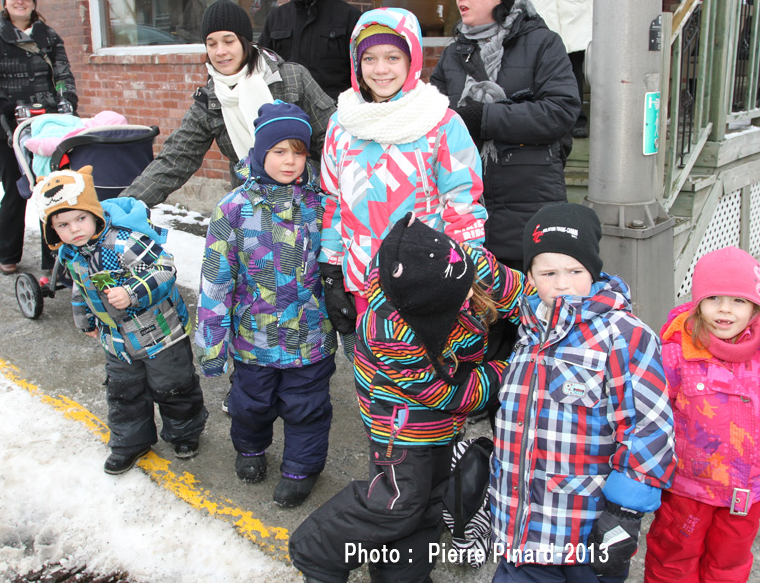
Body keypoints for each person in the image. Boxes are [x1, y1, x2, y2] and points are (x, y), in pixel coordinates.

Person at [289, 212, 527, 583]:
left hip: (444, 421)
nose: (470, 296)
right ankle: (318, 550)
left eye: (468, 288)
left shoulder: (465, 264)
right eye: (455, 301)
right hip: (398, 418)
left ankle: (403, 576)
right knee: (397, 502)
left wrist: (552, 316)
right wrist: (513, 369)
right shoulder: (389, 326)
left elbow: (522, 295)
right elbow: (447, 391)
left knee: (430, 498)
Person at [489, 203, 675, 581]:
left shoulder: (622, 335)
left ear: (593, 269)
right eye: (548, 272)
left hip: (585, 536)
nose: (561, 284)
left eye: (574, 271)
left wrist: (623, 513)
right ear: (530, 275)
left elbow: (649, 426)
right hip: (522, 529)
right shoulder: (529, 332)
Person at [430, 0, 580, 361]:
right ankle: (487, 404)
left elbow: (561, 110)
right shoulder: (454, 54)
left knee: (532, 316)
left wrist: (487, 117)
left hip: (529, 198)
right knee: (480, 310)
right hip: (469, 206)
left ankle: (528, 405)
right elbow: (431, 115)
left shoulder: (542, 44)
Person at [643, 247, 760, 583]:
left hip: (746, 491)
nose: (725, 309)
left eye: (738, 301)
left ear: (758, 307)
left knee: (728, 565)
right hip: (688, 488)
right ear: (698, 302)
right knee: (673, 559)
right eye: (714, 298)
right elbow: (651, 410)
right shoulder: (678, 349)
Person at [196, 101, 335, 508]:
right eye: (279, 151)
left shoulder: (322, 205)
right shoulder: (234, 210)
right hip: (253, 339)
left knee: (307, 409)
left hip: (310, 339)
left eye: (298, 151)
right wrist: (213, 344)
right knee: (250, 404)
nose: (290, 161)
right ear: (260, 152)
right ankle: (251, 450)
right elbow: (216, 281)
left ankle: (300, 468)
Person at [318, 7, 487, 337]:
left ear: (412, 59)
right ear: (357, 62)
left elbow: (464, 208)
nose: (381, 69)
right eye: (370, 58)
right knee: (372, 383)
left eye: (393, 57)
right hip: (363, 283)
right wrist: (332, 269)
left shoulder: (441, 124)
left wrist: (466, 274)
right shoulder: (341, 124)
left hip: (428, 282)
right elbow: (334, 203)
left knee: (426, 385)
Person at [35, 166, 207, 475]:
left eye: (80, 219)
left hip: (161, 335)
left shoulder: (122, 243)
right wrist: (85, 321)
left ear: (94, 214)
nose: (74, 230)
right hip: (116, 342)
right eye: (62, 225)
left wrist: (132, 293)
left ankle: (184, 433)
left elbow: (164, 269)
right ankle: (130, 441)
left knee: (174, 388)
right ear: (52, 231)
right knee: (123, 393)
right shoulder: (73, 255)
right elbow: (81, 289)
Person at [122, 0, 336, 207]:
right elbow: (174, 160)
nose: (220, 51)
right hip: (250, 211)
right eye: (211, 44)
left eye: (228, 41)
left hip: (307, 203)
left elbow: (331, 140)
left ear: (245, 41)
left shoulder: (291, 78)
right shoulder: (210, 102)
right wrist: (122, 205)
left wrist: (329, 193)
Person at [0, 0, 78, 275]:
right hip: (7, 124)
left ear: (33, 3)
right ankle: (8, 253)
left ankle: (54, 260)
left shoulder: (49, 36)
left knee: (52, 188)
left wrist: (67, 98)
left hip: (47, 124)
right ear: (5, 2)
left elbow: (63, 73)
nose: (21, 2)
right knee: (16, 190)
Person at [259, 0, 362, 103]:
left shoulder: (350, 18)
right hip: (287, 114)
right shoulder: (276, 19)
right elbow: (260, 69)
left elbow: (361, 75)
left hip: (336, 115)